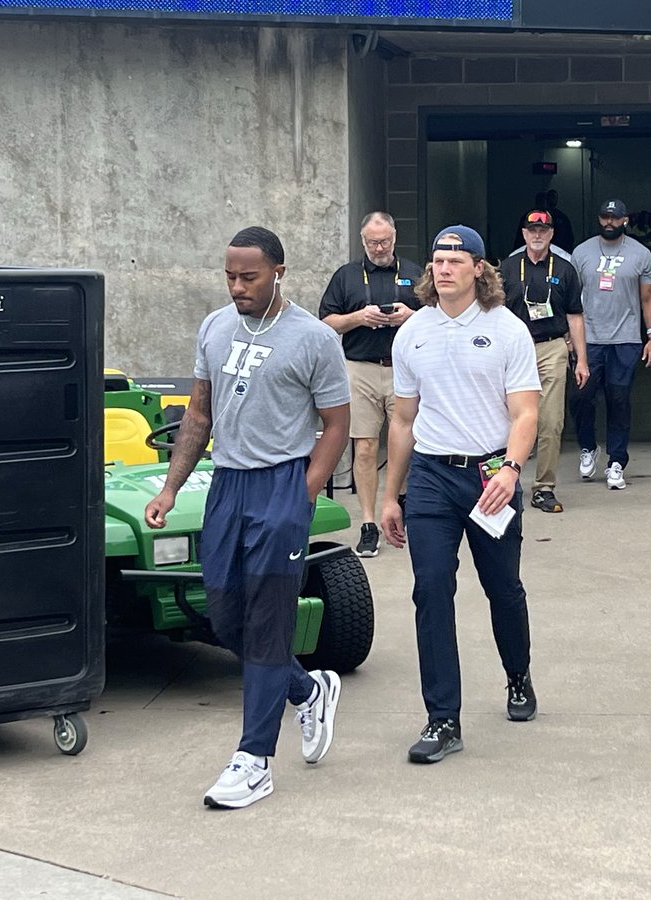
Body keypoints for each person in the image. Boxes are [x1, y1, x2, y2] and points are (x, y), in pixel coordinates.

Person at [144, 226, 351, 809]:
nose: (237, 287)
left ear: (278, 272)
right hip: (227, 485)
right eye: (230, 276)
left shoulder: (313, 339)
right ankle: (307, 690)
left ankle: (254, 758)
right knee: (226, 618)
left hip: (281, 484)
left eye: (249, 277)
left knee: (266, 623)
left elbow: (335, 425)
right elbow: (198, 414)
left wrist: (304, 494)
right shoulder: (214, 327)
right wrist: (169, 488)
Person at [380, 224, 541, 765]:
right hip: (430, 475)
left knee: (503, 588)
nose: (443, 267)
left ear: (478, 268)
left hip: (490, 474)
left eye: (455, 258)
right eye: (436, 259)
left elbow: (525, 412)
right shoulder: (412, 333)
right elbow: (403, 421)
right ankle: (442, 719)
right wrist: (390, 496)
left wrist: (512, 470)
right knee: (430, 590)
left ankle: (517, 677)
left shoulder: (507, 329)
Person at [319, 211, 423, 557]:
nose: (379, 248)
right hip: (359, 368)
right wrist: (359, 317)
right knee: (364, 448)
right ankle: (367, 522)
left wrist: (412, 315)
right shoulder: (347, 276)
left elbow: (441, 315)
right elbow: (326, 321)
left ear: (395, 238)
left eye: (385, 241)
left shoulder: (413, 273)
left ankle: (399, 506)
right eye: (372, 242)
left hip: (403, 370)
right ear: (362, 241)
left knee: (403, 444)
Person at [500, 208, 589, 513]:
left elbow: (575, 316)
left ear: (551, 233)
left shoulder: (565, 269)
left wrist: (581, 360)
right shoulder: (508, 269)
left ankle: (544, 487)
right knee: (505, 419)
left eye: (544, 231)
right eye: (532, 230)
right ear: (524, 233)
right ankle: (502, 483)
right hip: (513, 351)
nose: (537, 235)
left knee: (551, 421)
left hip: (552, 347)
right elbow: (492, 313)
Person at [569, 198, 651, 490]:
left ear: (625, 220)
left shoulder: (641, 254)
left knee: (619, 400)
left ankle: (616, 461)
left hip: (626, 339)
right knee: (582, 397)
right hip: (589, 339)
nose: (609, 222)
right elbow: (572, 300)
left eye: (615, 218)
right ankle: (588, 447)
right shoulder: (581, 252)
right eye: (605, 217)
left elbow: (648, 298)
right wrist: (569, 337)